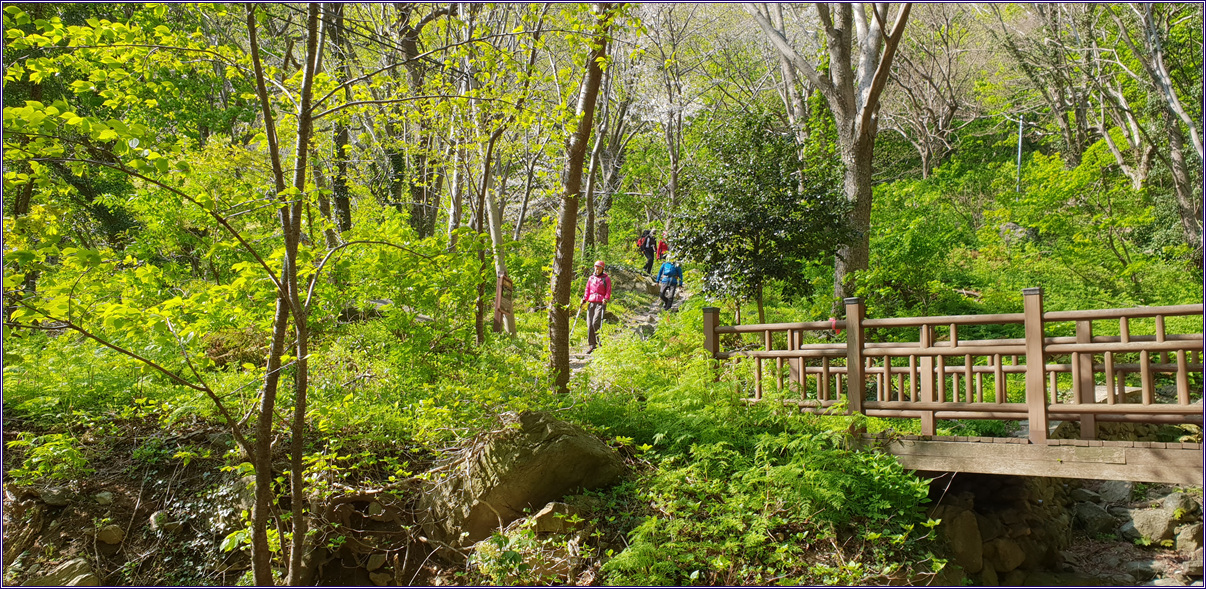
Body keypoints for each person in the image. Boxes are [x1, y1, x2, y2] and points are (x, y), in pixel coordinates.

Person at [580, 260, 612, 353]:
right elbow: (587, 289)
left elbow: (608, 290)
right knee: (590, 324)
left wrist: (606, 298)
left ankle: (599, 342)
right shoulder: (591, 278)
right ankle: (592, 345)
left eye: (599, 269)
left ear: (602, 269)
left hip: (601, 303)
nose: (597, 270)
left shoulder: (606, 279)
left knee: (595, 322)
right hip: (591, 302)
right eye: (596, 268)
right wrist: (584, 299)